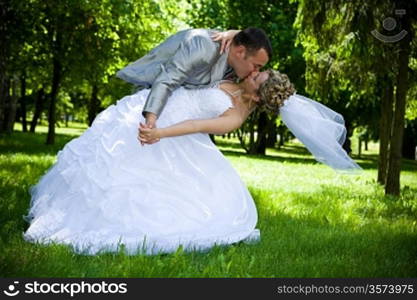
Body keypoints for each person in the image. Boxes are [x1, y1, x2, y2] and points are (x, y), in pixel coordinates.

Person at [23, 68, 361, 256]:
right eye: (258, 70)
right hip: (153, 103)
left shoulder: (234, 118)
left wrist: (160, 133)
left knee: (125, 182)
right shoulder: (233, 73)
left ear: (257, 95)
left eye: (259, 77)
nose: (254, 71)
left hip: (164, 128)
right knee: (100, 158)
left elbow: (197, 126)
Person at [116, 27, 271, 144]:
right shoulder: (204, 46)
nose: (255, 72)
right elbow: (167, 79)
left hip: (177, 123)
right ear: (240, 52)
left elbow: (250, 37)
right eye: (256, 66)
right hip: (151, 95)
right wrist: (150, 120)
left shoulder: (235, 66)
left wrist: (235, 33)